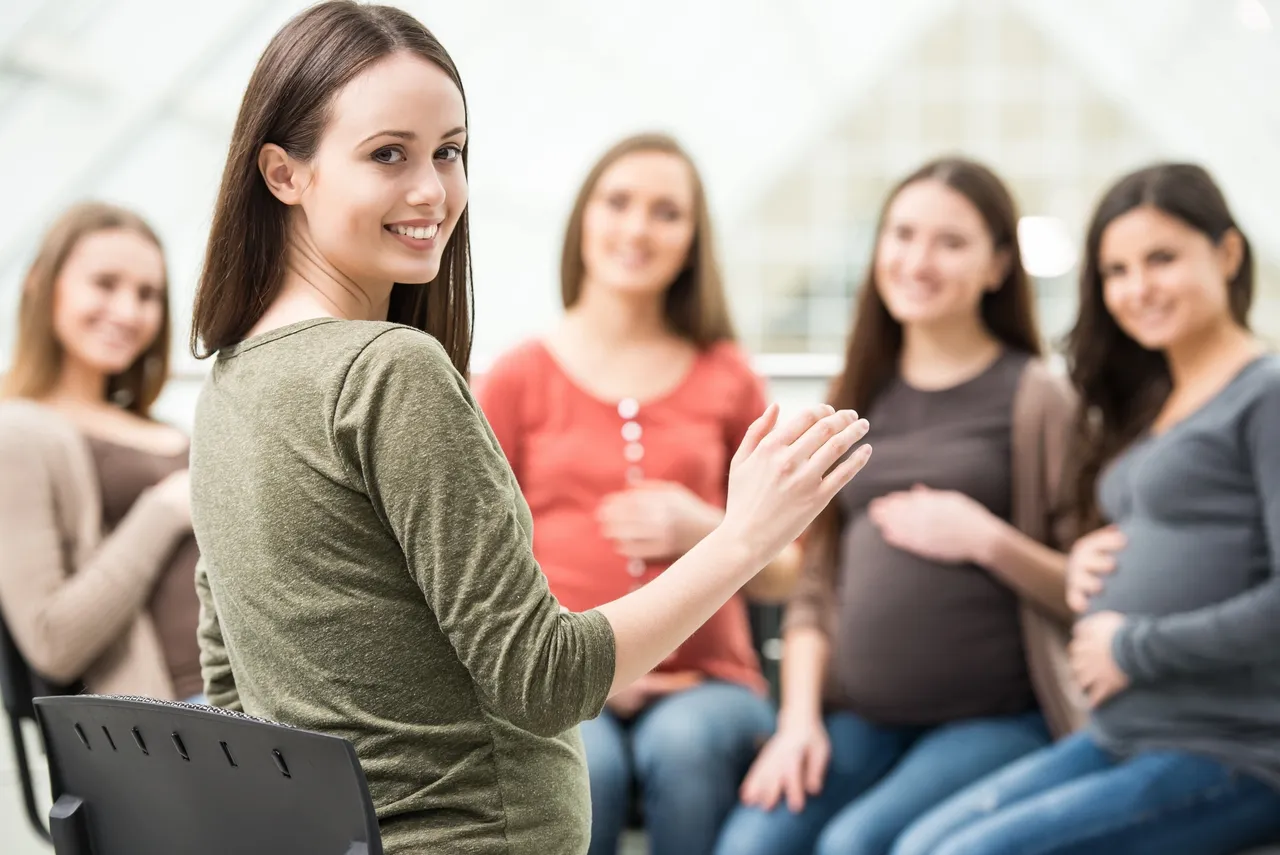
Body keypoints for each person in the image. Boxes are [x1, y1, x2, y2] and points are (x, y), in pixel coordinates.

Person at [185, 4, 872, 855]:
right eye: (387, 154)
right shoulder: (391, 372)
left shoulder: (229, 382)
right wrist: (742, 537)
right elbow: (544, 678)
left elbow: (230, 682)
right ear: (284, 173)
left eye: (450, 151)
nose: (433, 190)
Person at [893, 163, 1280, 855]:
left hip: (1233, 750)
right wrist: (1092, 564)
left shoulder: (1267, 393)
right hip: (1126, 731)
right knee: (917, 843)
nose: (1138, 288)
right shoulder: (1159, 403)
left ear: (1226, 254)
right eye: (1117, 270)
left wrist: (1132, 643)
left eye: (1161, 258)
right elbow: (1201, 540)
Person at [715, 157, 1083, 855]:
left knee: (855, 843)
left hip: (998, 720)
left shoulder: (1037, 398)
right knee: (750, 845)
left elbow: (1090, 587)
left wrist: (986, 538)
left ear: (999, 265)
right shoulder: (856, 393)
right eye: (903, 234)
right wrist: (797, 721)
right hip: (856, 717)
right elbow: (816, 585)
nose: (918, 260)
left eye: (951, 242)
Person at [477, 132, 794, 855]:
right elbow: (479, 560)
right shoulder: (519, 375)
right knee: (591, 763)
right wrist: (587, 667)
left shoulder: (729, 376)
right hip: (564, 677)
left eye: (666, 212)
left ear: (693, 242)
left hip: (709, 682)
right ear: (584, 218)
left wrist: (708, 526)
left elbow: (790, 568)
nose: (637, 228)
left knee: (684, 748)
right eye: (618, 202)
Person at [0, 201, 202, 705]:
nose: (129, 312)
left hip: (271, 687)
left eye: (148, 294)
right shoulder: (17, 430)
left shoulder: (163, 426)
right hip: (189, 715)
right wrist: (162, 511)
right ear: (40, 284)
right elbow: (51, 641)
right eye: (105, 284)